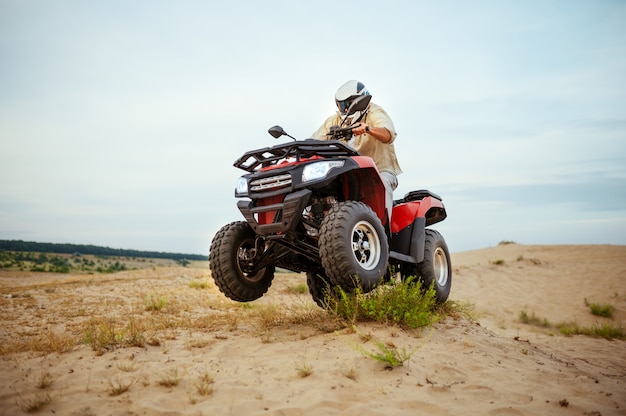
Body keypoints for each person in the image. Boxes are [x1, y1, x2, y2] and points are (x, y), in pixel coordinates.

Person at [311, 80, 402, 223]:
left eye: (348, 104)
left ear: (360, 101)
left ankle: (382, 233)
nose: (345, 110)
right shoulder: (335, 120)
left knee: (381, 184)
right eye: (342, 105)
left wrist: (368, 129)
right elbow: (314, 140)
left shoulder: (375, 113)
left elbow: (388, 135)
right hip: (346, 174)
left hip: (379, 170)